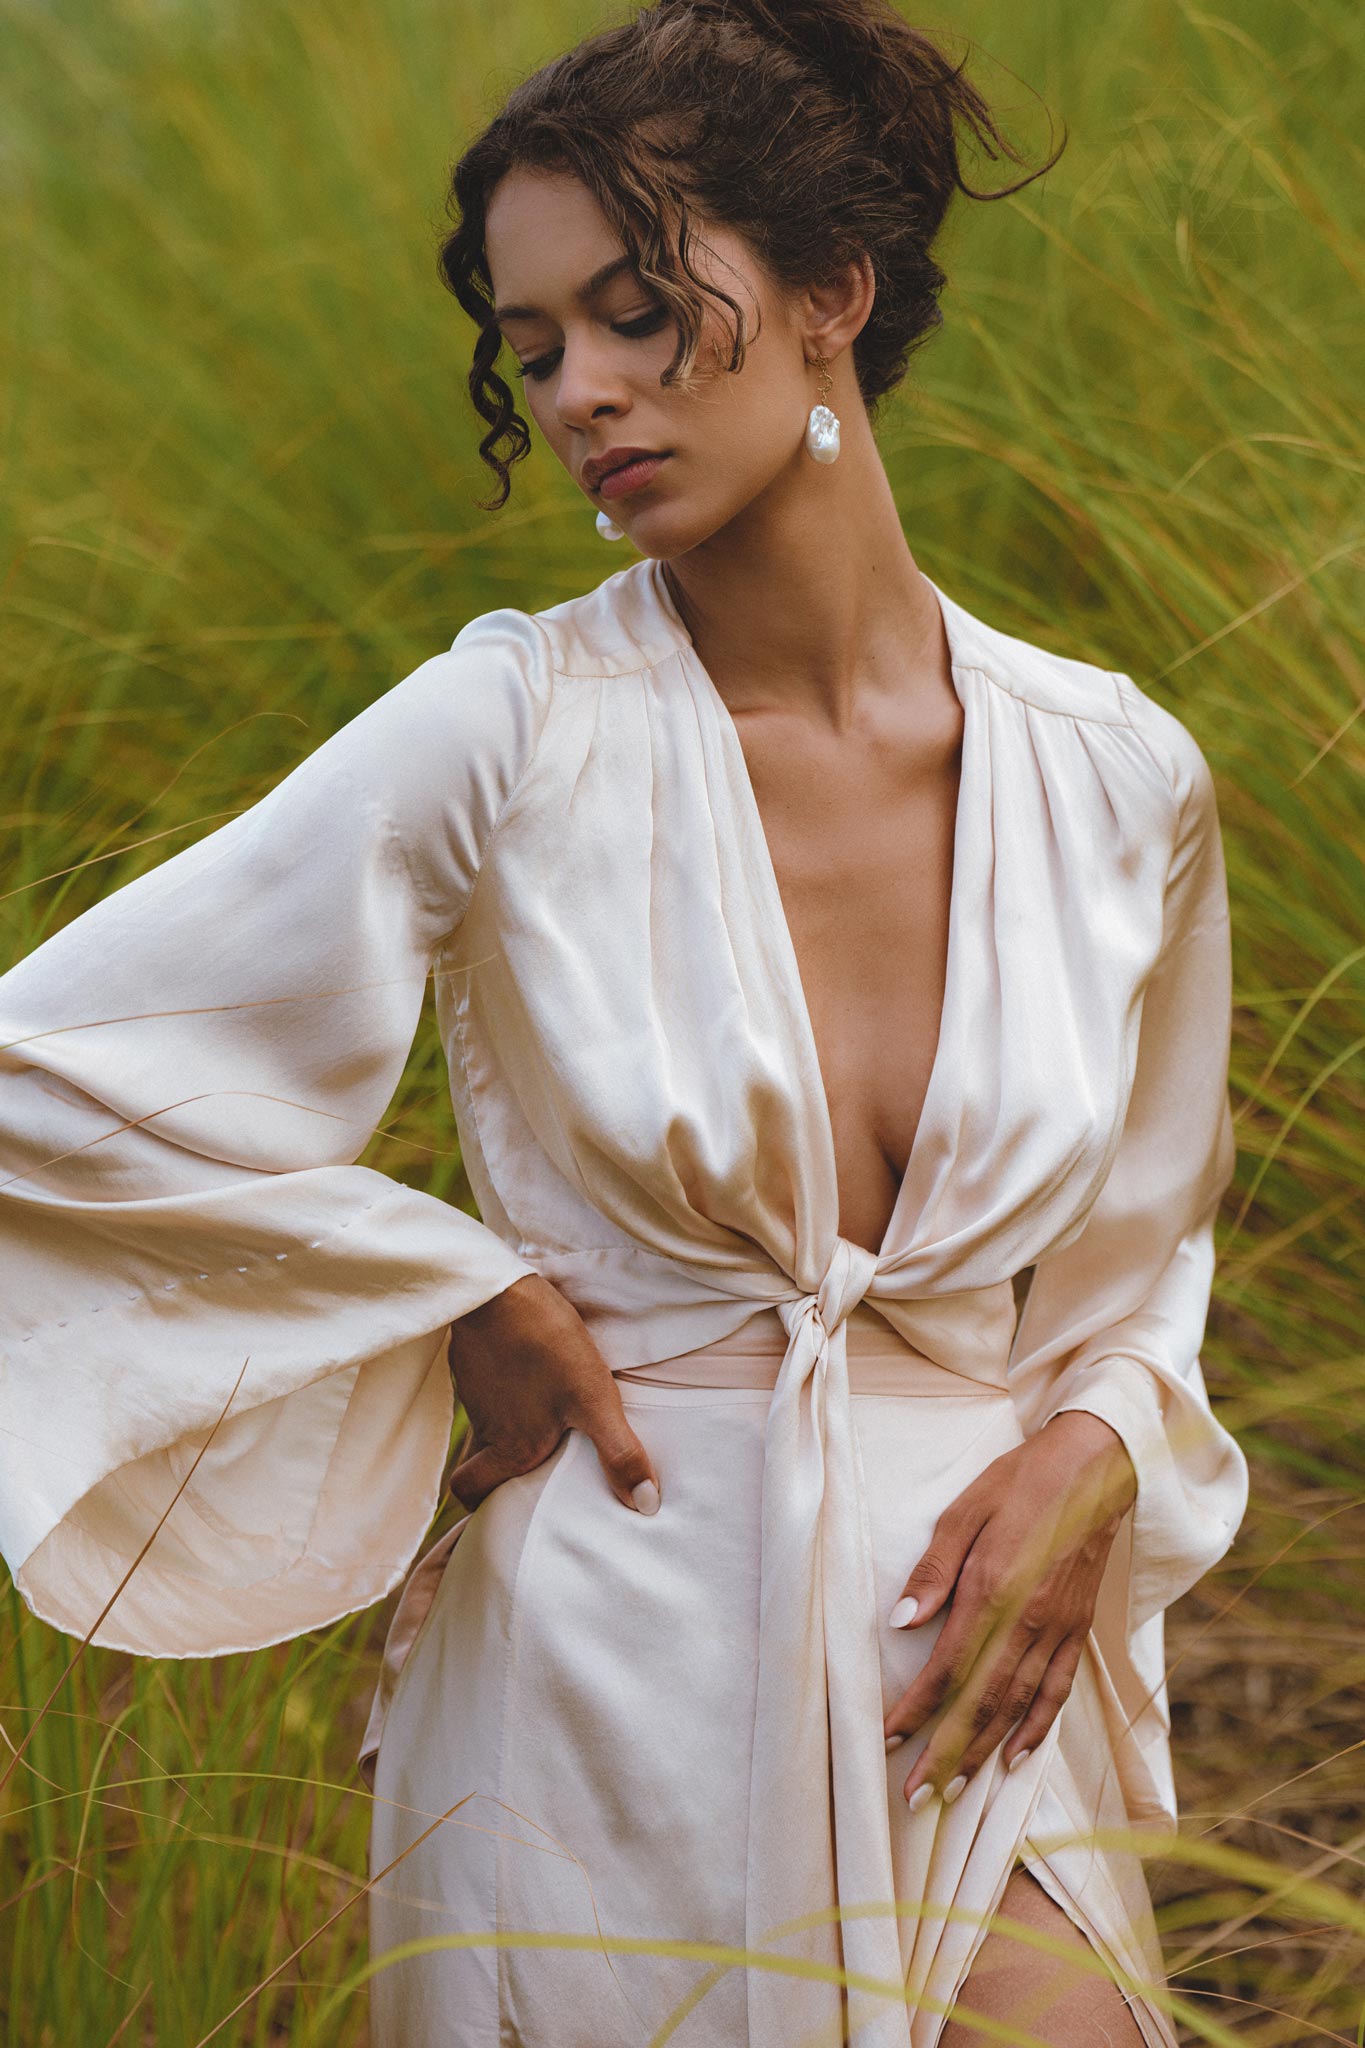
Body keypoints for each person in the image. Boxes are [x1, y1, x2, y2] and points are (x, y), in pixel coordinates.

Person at [0, 1, 1249, 2042]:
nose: (581, 391)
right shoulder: (509, 728)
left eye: (638, 315)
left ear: (830, 293)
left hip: (966, 1650)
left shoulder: (1116, 774)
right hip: (607, 1642)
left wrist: (1103, 1435)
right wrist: (445, 1285)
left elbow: (1143, 1242)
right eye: (532, 346)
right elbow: (43, 1079)